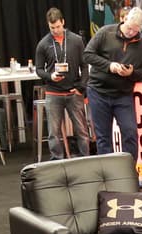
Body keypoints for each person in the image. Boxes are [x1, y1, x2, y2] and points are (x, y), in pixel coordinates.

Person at [83, 6, 142, 160]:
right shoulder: (105, 33)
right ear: (123, 19)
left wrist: (132, 73)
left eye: (135, 30)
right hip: (98, 92)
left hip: (123, 95)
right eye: (128, 28)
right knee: (103, 138)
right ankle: (108, 177)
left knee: (130, 133)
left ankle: (129, 173)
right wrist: (110, 66)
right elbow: (87, 55)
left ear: (140, 28)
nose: (130, 33)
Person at [34, 8, 89, 160]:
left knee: (82, 130)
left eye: (58, 26)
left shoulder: (76, 40)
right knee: (54, 132)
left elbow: (85, 66)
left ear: (63, 22)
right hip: (53, 93)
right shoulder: (43, 44)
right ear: (48, 25)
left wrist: (81, 87)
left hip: (73, 91)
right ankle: (57, 160)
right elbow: (38, 70)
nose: (56, 30)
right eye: (52, 28)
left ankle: (86, 158)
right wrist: (50, 76)